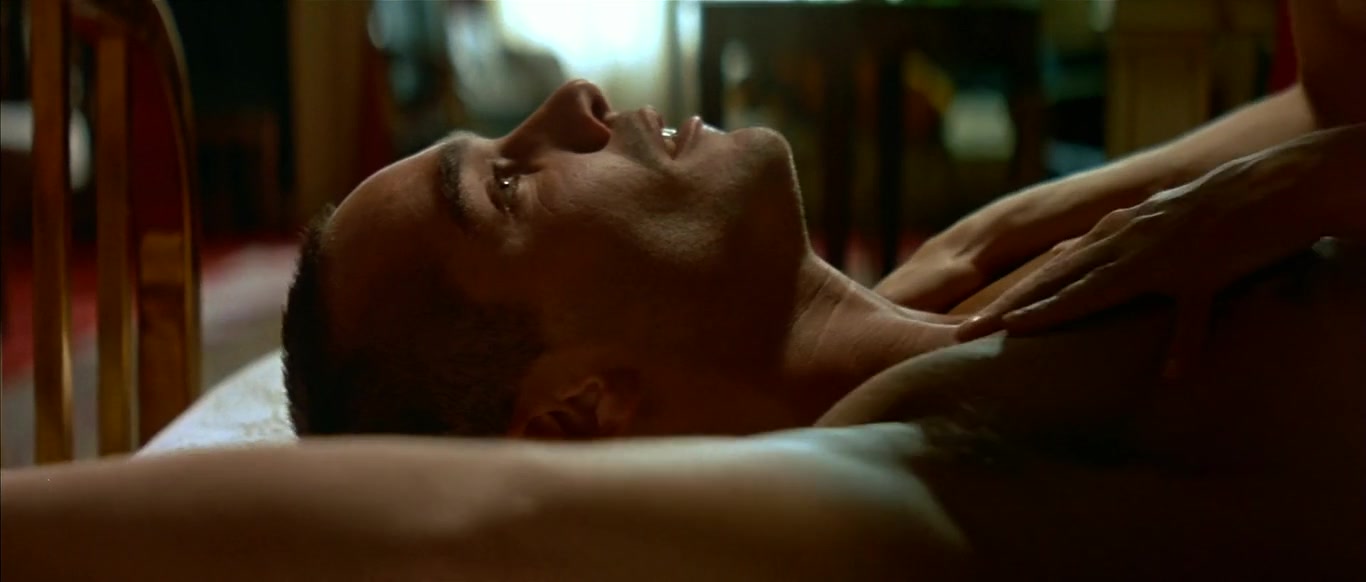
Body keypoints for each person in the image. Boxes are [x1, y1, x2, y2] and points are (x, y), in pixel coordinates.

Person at [3, 1, 1364, 578]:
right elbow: (457, 521)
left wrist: (1022, 218)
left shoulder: (987, 277)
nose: (571, 101)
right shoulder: (927, 453)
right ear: (577, 407)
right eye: (510, 188)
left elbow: (1321, 103)